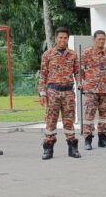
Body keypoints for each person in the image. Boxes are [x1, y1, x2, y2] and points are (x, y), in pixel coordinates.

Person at [39, 27, 81, 160]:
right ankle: (48, 149)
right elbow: (43, 75)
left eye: (65, 38)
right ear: (56, 38)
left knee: (69, 121)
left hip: (68, 92)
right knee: (51, 121)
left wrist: (80, 83)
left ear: (68, 39)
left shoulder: (73, 55)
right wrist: (42, 93)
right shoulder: (48, 55)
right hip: (53, 92)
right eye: (60, 37)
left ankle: (72, 148)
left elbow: (77, 72)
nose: (63, 40)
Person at [81, 30, 106, 150]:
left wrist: (102, 78)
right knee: (89, 115)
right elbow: (81, 71)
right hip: (91, 90)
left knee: (104, 116)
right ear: (94, 40)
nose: (101, 41)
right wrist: (89, 82)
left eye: (103, 39)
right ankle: (88, 139)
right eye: (99, 39)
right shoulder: (86, 53)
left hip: (105, 89)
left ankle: (102, 139)